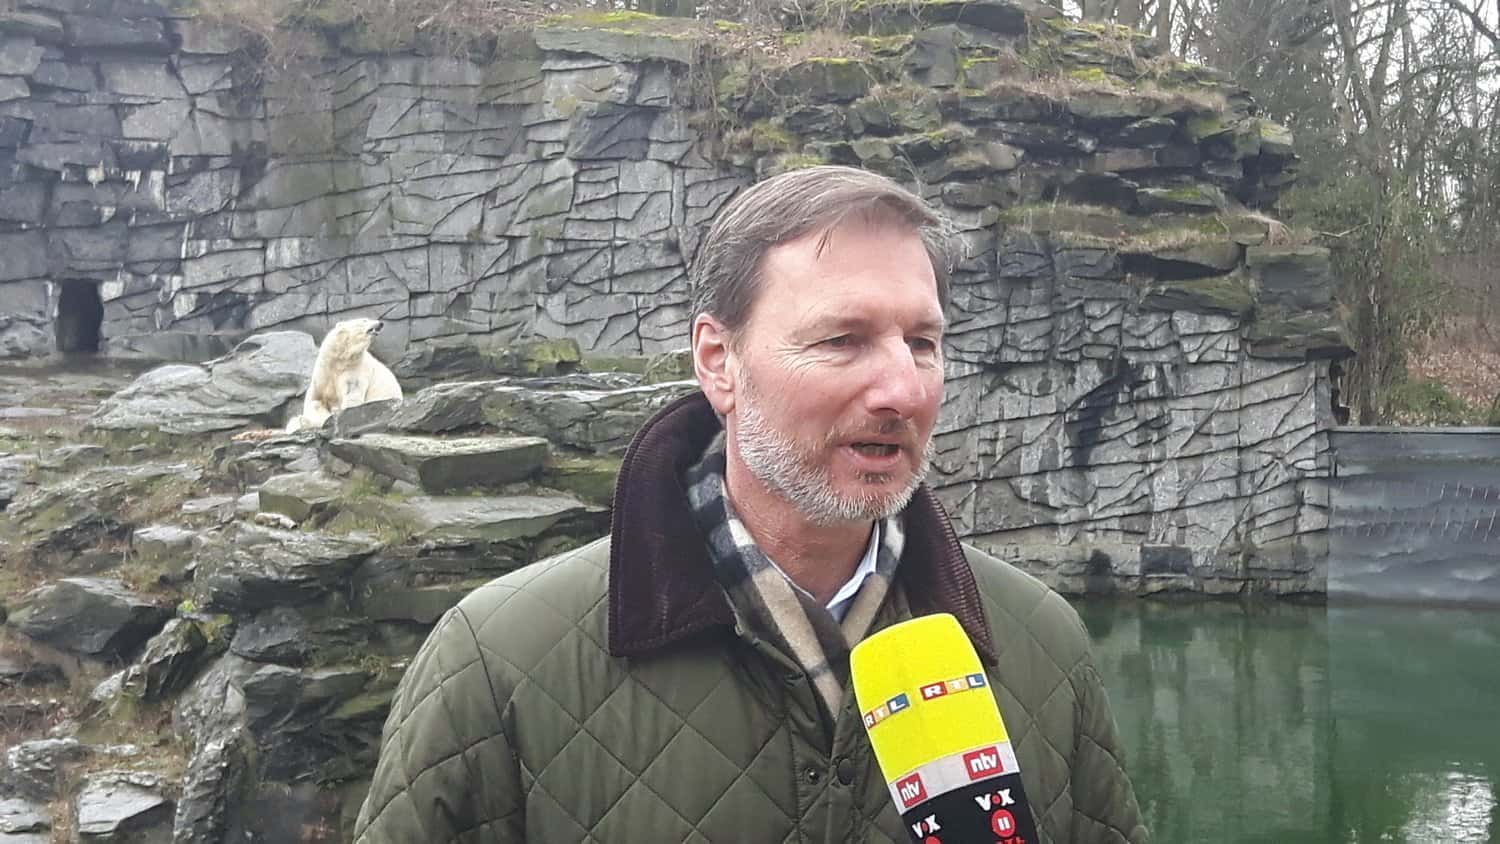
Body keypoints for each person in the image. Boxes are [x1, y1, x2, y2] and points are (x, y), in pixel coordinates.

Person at [354, 165, 1149, 843]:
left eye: (923, 343)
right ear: (718, 362)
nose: (904, 389)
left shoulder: (1042, 644)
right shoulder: (497, 662)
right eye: (842, 340)